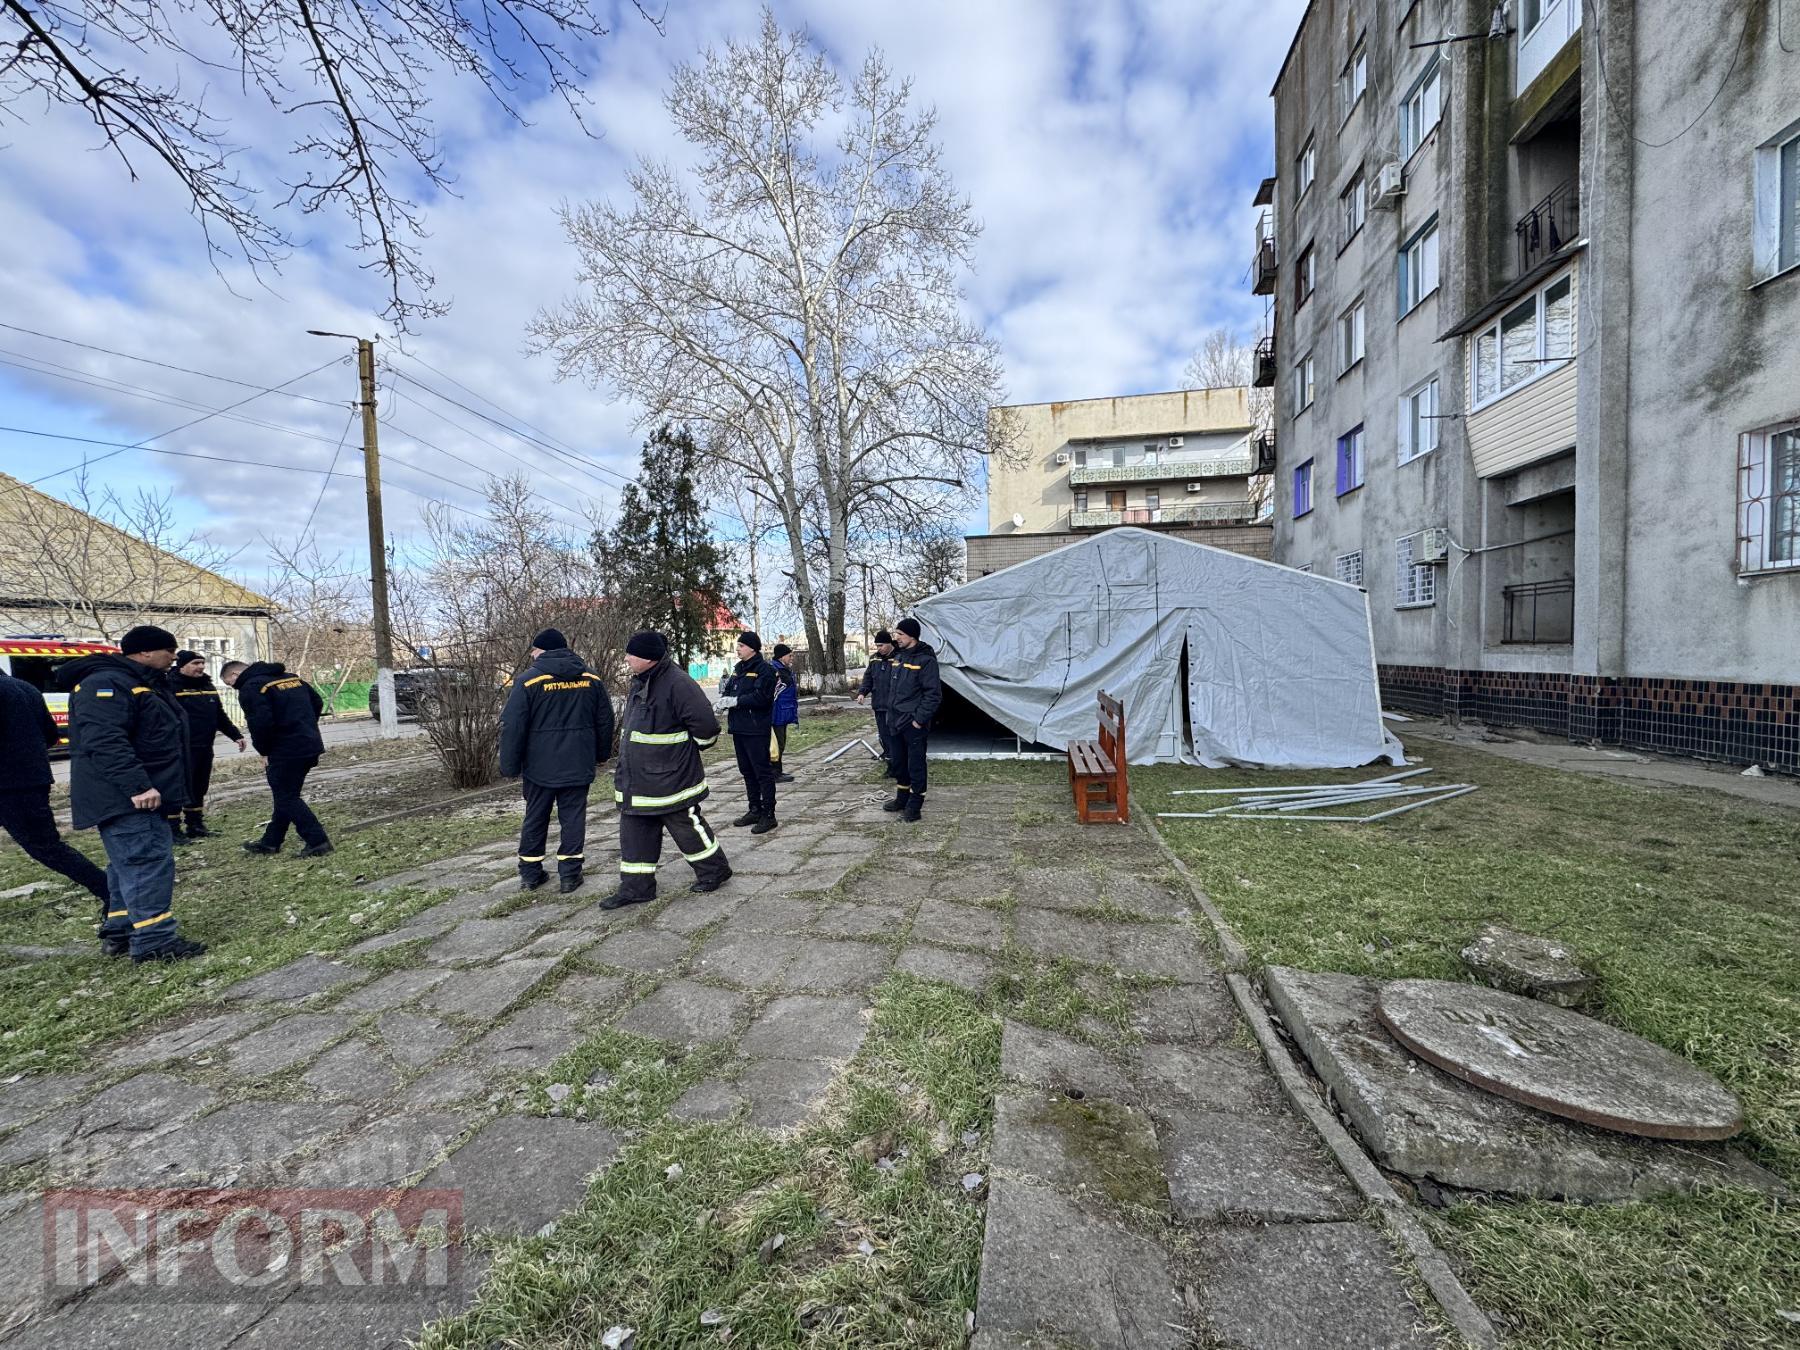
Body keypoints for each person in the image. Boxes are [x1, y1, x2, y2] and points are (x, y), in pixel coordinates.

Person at [61, 625, 206, 962]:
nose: (174, 657)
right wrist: (138, 786)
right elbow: (105, 741)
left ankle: (120, 930)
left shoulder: (140, 681)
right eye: (169, 650)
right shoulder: (107, 683)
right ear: (145, 652)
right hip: (127, 796)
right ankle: (154, 940)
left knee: (127, 863)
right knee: (146, 862)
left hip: (137, 793)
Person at [604, 630, 731, 910]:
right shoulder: (641, 680)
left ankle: (715, 871)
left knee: (687, 829)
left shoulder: (678, 683)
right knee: (634, 833)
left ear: (648, 658)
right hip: (637, 781)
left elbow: (707, 729)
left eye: (630, 654)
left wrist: (679, 754)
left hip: (671, 779)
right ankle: (636, 888)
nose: (625, 659)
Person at [499, 627, 616, 894]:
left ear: (540, 651)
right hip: (578, 761)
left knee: (535, 816)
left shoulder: (528, 681)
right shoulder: (591, 678)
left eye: (533, 651)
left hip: (540, 766)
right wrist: (601, 754)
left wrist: (509, 765)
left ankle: (530, 874)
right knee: (573, 816)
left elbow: (513, 725)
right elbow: (605, 720)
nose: (532, 655)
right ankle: (570, 875)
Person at [0, 667, 112, 921]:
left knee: (46, 847)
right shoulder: (26, 687)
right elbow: (51, 735)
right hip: (31, 778)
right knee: (47, 846)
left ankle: (110, 892)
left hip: (10, 784)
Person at [221, 658, 332, 858]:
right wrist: (305, 726)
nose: (234, 688)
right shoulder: (292, 678)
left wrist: (264, 751)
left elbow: (260, 724)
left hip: (284, 750)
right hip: (309, 744)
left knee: (287, 796)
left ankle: (317, 841)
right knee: (286, 795)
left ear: (235, 675)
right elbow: (317, 702)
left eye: (230, 684)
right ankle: (271, 842)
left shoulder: (251, 687)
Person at [167, 650, 247, 840]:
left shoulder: (207, 685)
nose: (201, 667)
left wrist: (235, 735)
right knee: (178, 787)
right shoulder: (170, 685)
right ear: (182, 666)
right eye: (195, 663)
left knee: (199, 785)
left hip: (204, 746)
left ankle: (195, 825)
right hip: (180, 747)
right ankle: (172, 830)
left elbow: (219, 715)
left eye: (202, 663)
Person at [719, 631, 779, 834]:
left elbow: (762, 697)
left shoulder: (764, 670)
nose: (737, 649)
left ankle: (769, 814)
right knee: (746, 771)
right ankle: (754, 809)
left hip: (756, 728)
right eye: (738, 646)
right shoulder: (738, 669)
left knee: (762, 772)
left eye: (741, 646)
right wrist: (724, 701)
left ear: (752, 648)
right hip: (739, 727)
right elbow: (729, 689)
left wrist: (736, 701)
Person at [885, 617, 942, 822]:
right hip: (895, 721)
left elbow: (933, 695)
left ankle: (915, 806)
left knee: (915, 765)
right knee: (899, 763)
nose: (896, 637)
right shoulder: (898, 657)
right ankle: (902, 798)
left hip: (913, 723)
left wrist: (918, 720)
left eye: (900, 634)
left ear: (912, 636)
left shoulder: (926, 660)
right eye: (896, 633)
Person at [855, 629, 898, 779]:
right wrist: (862, 693)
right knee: (884, 735)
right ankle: (890, 760)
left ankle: (896, 765)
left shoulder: (899, 658)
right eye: (877, 646)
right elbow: (868, 678)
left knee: (894, 736)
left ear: (889, 643)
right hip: (879, 704)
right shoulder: (874, 660)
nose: (879, 648)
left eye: (881, 645)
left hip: (895, 706)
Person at [770, 642, 799, 782]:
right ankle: (774, 773)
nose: (791, 658)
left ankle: (777, 771)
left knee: (780, 744)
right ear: (782, 657)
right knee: (777, 745)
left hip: (783, 711)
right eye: (789, 655)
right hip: (776, 713)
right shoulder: (775, 670)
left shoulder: (784, 669)